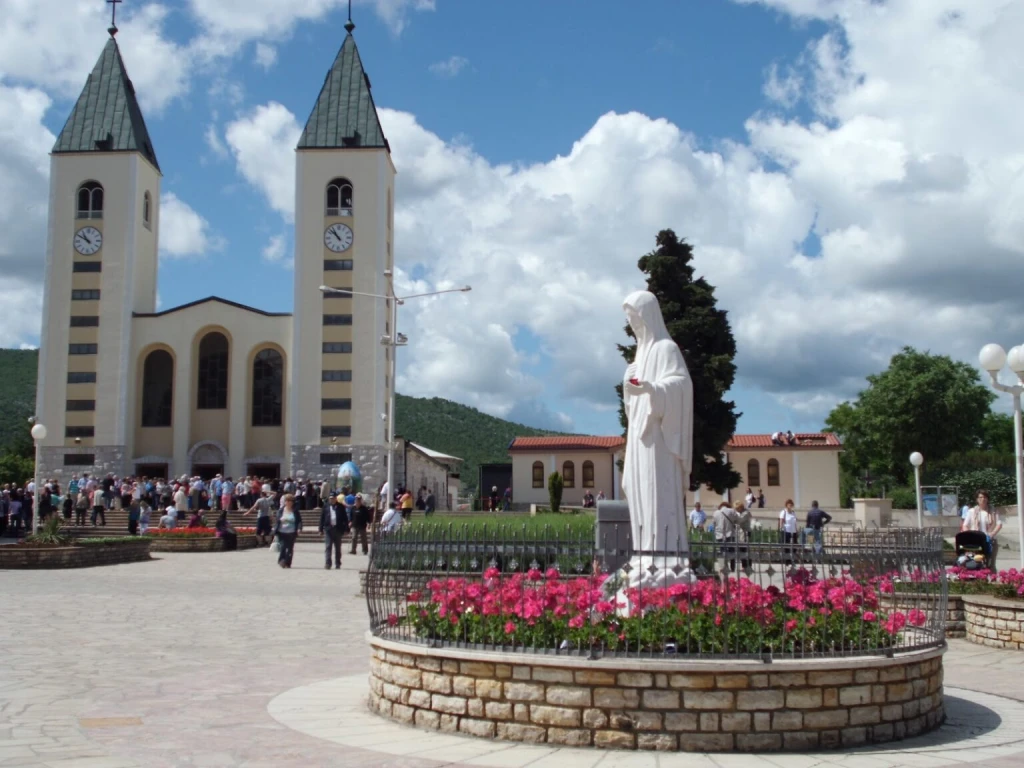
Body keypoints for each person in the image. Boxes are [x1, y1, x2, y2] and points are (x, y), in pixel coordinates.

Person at [962, 489, 1002, 570]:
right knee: (976, 562)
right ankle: (978, 580)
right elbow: (965, 525)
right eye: (980, 497)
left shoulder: (993, 511)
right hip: (976, 542)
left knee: (991, 564)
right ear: (977, 499)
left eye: (984, 497)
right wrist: (970, 536)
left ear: (987, 499)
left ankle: (992, 580)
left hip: (990, 541)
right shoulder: (971, 511)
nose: (982, 499)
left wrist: (992, 534)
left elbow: (999, 524)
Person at [320, 494, 349, 569]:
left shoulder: (340, 506)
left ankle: (338, 563)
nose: (332, 500)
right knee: (328, 546)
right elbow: (322, 518)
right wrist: (320, 529)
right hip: (328, 529)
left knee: (338, 548)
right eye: (330, 498)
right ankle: (328, 563)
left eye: (333, 498)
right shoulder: (326, 506)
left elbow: (345, 518)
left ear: (336, 498)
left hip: (338, 529)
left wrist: (346, 529)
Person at [273, 493, 302, 568]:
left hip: (292, 532)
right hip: (282, 532)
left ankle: (288, 562)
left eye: (290, 501)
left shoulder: (295, 511)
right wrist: (275, 528)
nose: (288, 502)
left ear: (292, 502)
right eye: (287, 500)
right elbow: (277, 521)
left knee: (290, 548)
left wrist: (299, 528)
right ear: (285, 502)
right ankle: (282, 560)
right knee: (283, 547)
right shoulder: (281, 511)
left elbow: (299, 521)